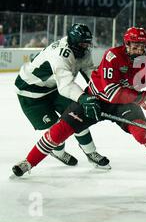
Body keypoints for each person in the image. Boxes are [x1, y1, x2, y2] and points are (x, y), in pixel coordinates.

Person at [12, 27, 146, 180]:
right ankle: (29, 162)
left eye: (141, 47)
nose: (138, 50)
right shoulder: (112, 55)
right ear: (126, 44)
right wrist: (141, 98)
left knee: (144, 132)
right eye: (134, 46)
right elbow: (110, 91)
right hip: (96, 99)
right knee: (59, 130)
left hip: (124, 104)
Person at [14, 23, 110, 168]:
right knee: (56, 129)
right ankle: (58, 153)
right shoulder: (60, 54)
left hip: (52, 87)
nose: (86, 47)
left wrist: (103, 89)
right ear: (74, 41)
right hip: (30, 93)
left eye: (87, 43)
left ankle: (91, 153)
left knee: (77, 116)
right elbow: (66, 86)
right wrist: (84, 97)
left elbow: (89, 71)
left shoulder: (81, 50)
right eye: (83, 43)